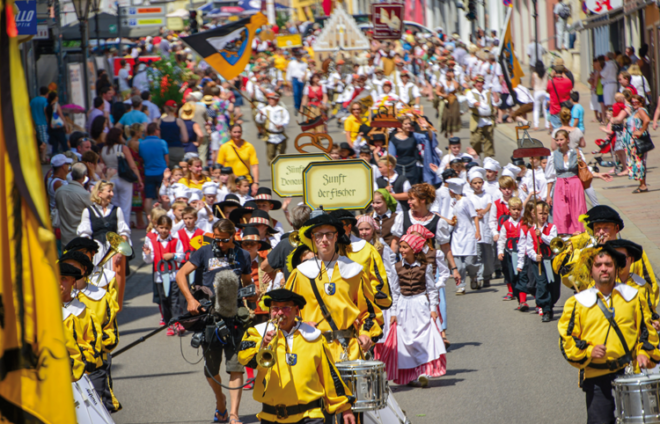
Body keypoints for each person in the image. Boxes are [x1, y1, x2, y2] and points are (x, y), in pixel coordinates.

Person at [557, 244, 660, 424]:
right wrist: (588, 352)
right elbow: (567, 339)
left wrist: (644, 352)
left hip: (630, 373)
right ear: (591, 271)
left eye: (608, 264)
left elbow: (647, 331)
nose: (604, 268)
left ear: (616, 268)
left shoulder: (633, 296)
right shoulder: (577, 303)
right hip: (597, 377)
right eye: (598, 265)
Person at [237, 288, 357, 424]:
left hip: (310, 416)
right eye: (275, 308)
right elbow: (244, 358)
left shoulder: (313, 336)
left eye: (286, 308)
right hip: (271, 417)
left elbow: (329, 375)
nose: (280, 313)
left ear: (296, 310)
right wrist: (263, 344)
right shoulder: (257, 333)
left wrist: (344, 407)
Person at [175, 219, 252, 424]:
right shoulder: (204, 252)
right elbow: (181, 274)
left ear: (234, 236)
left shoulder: (243, 255)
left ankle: (234, 414)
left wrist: (253, 294)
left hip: (235, 317)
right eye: (216, 239)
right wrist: (191, 299)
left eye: (223, 240)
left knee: (236, 367)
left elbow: (247, 282)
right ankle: (221, 402)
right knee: (211, 370)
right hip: (210, 318)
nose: (218, 244)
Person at [284, 211, 384, 362]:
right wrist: (300, 324)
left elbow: (369, 312)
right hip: (311, 349)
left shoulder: (354, 271)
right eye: (319, 235)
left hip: (348, 350)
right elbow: (286, 310)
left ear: (336, 236)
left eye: (329, 234)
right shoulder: (300, 274)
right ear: (313, 238)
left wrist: (366, 333)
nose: (324, 240)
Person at [382, 233, 446, 386]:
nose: (401, 250)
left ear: (414, 249)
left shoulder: (425, 267)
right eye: (401, 247)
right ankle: (411, 373)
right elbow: (395, 292)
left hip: (420, 304)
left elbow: (431, 289)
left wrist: (433, 308)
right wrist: (393, 312)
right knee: (407, 341)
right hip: (404, 306)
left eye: (405, 247)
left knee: (422, 339)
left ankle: (424, 372)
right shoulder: (396, 267)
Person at [77, 180, 131, 308]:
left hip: (113, 253)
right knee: (96, 284)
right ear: (100, 193)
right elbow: (84, 234)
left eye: (112, 191)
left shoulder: (117, 210)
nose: (112, 194)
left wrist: (120, 251)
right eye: (109, 191)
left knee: (114, 286)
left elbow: (123, 232)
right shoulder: (88, 211)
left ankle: (112, 314)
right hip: (96, 253)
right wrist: (88, 251)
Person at [545, 130, 587, 233]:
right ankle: (562, 237)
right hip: (560, 185)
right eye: (557, 140)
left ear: (567, 140)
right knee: (561, 213)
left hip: (575, 184)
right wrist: (548, 195)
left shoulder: (576, 152)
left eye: (561, 139)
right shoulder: (553, 155)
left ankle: (579, 236)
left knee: (577, 211)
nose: (559, 142)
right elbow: (550, 177)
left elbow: (585, 169)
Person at [100, 128, 143, 226]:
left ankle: (115, 228)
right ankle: (124, 231)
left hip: (111, 179)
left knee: (113, 206)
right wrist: (139, 180)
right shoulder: (123, 148)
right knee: (125, 208)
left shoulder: (103, 149)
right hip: (124, 179)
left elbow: (102, 167)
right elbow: (132, 166)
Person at [217, 125, 259, 196]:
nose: (237, 134)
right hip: (230, 183)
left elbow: (254, 166)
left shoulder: (249, 146)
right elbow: (219, 166)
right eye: (234, 132)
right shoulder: (224, 147)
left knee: (245, 204)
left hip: (245, 182)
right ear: (230, 133)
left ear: (242, 133)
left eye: (239, 132)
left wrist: (255, 183)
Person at [55, 163, 92, 246]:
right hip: (80, 239)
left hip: (65, 239)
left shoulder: (59, 191)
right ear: (84, 177)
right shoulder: (85, 195)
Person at [139, 122, 169, 217]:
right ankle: (165, 217)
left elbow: (141, 158)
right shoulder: (162, 142)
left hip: (148, 172)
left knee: (148, 197)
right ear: (156, 131)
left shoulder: (142, 144)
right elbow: (166, 159)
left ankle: (149, 218)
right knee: (163, 196)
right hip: (162, 172)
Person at [466, 75, 500, 158]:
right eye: (478, 82)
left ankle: (488, 159)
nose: (479, 84)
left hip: (488, 120)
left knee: (489, 141)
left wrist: (494, 92)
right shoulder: (471, 92)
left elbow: (496, 102)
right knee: (476, 140)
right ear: (474, 84)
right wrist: (480, 104)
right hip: (477, 120)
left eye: (481, 82)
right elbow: (471, 102)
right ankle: (476, 155)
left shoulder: (488, 92)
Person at [624, 95, 651, 193]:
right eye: (633, 102)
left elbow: (647, 120)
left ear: (641, 102)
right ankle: (641, 184)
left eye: (636, 102)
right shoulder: (636, 111)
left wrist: (641, 131)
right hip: (632, 142)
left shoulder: (641, 110)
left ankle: (643, 185)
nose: (634, 103)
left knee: (639, 162)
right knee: (638, 161)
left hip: (637, 141)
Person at [255, 92, 290, 163]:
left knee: (282, 155)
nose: (270, 100)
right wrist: (261, 115)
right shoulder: (265, 109)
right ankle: (273, 170)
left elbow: (286, 119)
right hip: (270, 136)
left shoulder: (282, 109)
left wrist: (281, 125)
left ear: (276, 100)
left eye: (272, 99)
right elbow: (258, 120)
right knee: (271, 155)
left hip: (280, 135)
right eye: (269, 99)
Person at [158, 100, 190, 167]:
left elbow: (158, 138)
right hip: (177, 149)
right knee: (178, 172)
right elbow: (185, 139)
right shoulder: (179, 121)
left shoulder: (160, 122)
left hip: (164, 150)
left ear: (166, 108)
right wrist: (177, 139)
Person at [547, 65, 573, 130]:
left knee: (557, 132)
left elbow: (548, 90)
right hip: (566, 109)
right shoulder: (568, 81)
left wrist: (551, 77)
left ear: (554, 72)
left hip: (555, 109)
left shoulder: (551, 82)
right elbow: (570, 89)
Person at [286, 50, 308, 114]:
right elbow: (289, 71)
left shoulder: (304, 64)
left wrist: (304, 76)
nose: (299, 57)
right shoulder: (291, 63)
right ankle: (296, 106)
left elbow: (306, 71)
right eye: (298, 56)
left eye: (300, 56)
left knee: (300, 93)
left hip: (301, 79)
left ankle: (301, 106)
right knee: (296, 93)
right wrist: (288, 80)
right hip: (295, 79)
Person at [31, 86, 49, 157]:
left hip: (34, 123)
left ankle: (37, 156)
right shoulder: (45, 100)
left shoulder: (33, 100)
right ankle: (43, 157)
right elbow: (45, 110)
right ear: (47, 93)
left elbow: (29, 109)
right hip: (43, 123)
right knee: (44, 142)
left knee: (36, 141)